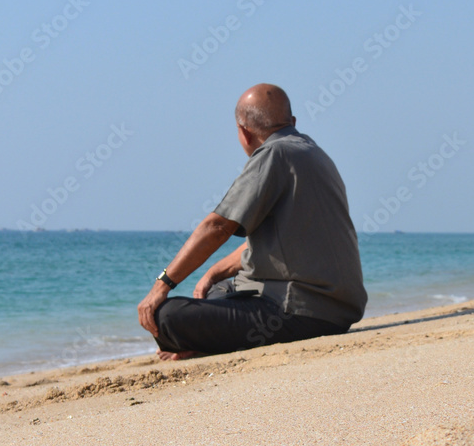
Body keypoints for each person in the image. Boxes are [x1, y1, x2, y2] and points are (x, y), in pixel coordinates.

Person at [137, 83, 367, 359]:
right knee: (217, 290)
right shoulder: (314, 153)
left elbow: (218, 227)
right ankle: (205, 342)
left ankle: (201, 344)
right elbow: (270, 242)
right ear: (292, 122)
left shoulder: (274, 154)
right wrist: (213, 273)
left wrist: (161, 285)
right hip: (339, 310)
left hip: (299, 313)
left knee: (166, 315)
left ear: (244, 132)